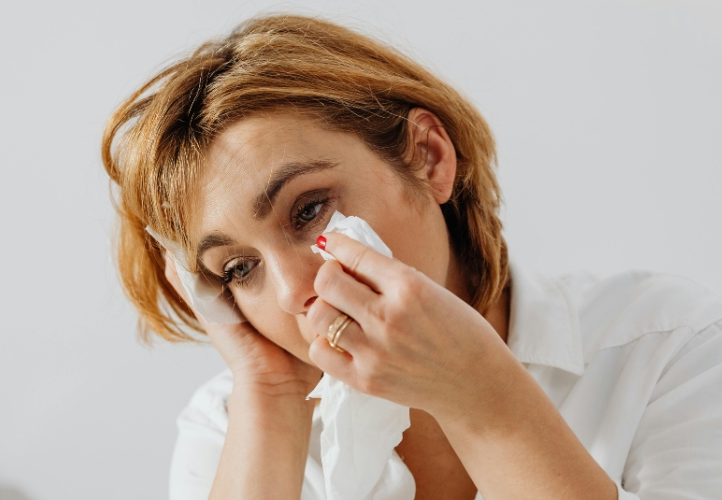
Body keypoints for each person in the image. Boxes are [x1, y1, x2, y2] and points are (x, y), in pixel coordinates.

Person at [101, 14, 722, 500]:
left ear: (429, 157)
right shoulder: (228, 428)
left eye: (310, 209)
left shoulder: (668, 345)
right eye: (239, 269)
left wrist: (481, 396)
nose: (294, 292)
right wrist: (269, 393)